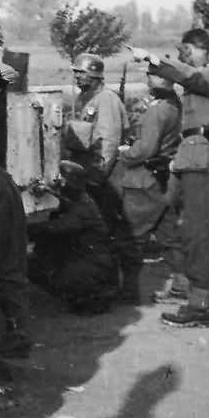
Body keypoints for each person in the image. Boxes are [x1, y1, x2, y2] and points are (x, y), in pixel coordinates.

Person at [131, 28, 209, 328]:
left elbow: (190, 77)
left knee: (200, 235)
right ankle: (206, 299)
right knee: (195, 233)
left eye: (185, 50)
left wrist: (153, 59)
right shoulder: (200, 81)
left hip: (205, 162)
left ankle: (200, 308)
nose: (182, 56)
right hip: (195, 161)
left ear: (199, 48)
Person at [63, 53, 130, 295]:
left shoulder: (106, 99)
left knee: (106, 230)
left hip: (103, 177)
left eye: (82, 73)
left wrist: (97, 177)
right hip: (87, 173)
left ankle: (112, 286)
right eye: (76, 73)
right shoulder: (85, 98)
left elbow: (108, 142)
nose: (77, 77)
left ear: (95, 75)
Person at [116, 72, 180, 303]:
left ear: (165, 79)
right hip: (165, 179)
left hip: (143, 179)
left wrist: (125, 154)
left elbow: (145, 149)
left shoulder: (157, 110)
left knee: (131, 237)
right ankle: (182, 287)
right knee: (170, 236)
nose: (148, 78)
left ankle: (128, 291)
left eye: (153, 75)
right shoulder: (174, 105)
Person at [29, 160, 119, 315]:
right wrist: (50, 191)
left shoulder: (83, 208)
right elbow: (67, 201)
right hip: (97, 263)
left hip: (96, 269)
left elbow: (55, 227)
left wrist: (23, 227)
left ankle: (87, 298)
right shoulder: (82, 199)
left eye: (61, 181)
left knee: (35, 266)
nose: (59, 185)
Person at [0, 158, 31, 357]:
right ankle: (14, 332)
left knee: (6, 271)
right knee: (8, 271)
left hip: (2, 206)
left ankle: (16, 336)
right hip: (4, 199)